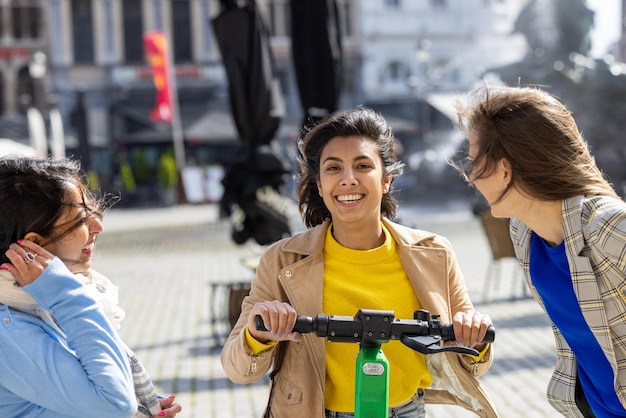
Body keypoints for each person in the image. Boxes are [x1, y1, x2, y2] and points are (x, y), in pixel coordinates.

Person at [221, 107, 499, 418]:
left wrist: (476, 336)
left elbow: (473, 363)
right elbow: (236, 368)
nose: (348, 179)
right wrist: (257, 335)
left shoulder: (434, 253)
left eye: (363, 165)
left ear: (386, 180)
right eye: (333, 168)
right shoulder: (282, 260)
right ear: (319, 184)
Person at [454, 84, 626, 418]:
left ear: (505, 168)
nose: (472, 177)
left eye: (475, 162)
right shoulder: (524, 233)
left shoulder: (610, 227)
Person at [0, 156, 182, 417]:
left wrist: (142, 407)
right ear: (33, 246)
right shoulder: (11, 329)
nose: (98, 226)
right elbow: (115, 404)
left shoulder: (34, 304)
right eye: (81, 220)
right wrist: (65, 295)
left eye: (93, 211)